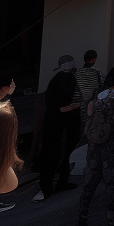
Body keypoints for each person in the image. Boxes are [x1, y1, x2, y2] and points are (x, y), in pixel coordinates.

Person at [75, 67, 114, 226]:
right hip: (112, 146)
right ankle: (113, 224)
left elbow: (89, 114)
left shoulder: (99, 95)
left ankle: (81, 220)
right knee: (111, 182)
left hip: (94, 145)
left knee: (90, 183)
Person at [35, 55, 82, 201]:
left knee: (64, 151)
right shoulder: (62, 80)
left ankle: (58, 182)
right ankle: (47, 186)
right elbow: (61, 107)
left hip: (64, 121)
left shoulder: (67, 78)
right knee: (53, 153)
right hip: (58, 121)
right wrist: (78, 105)